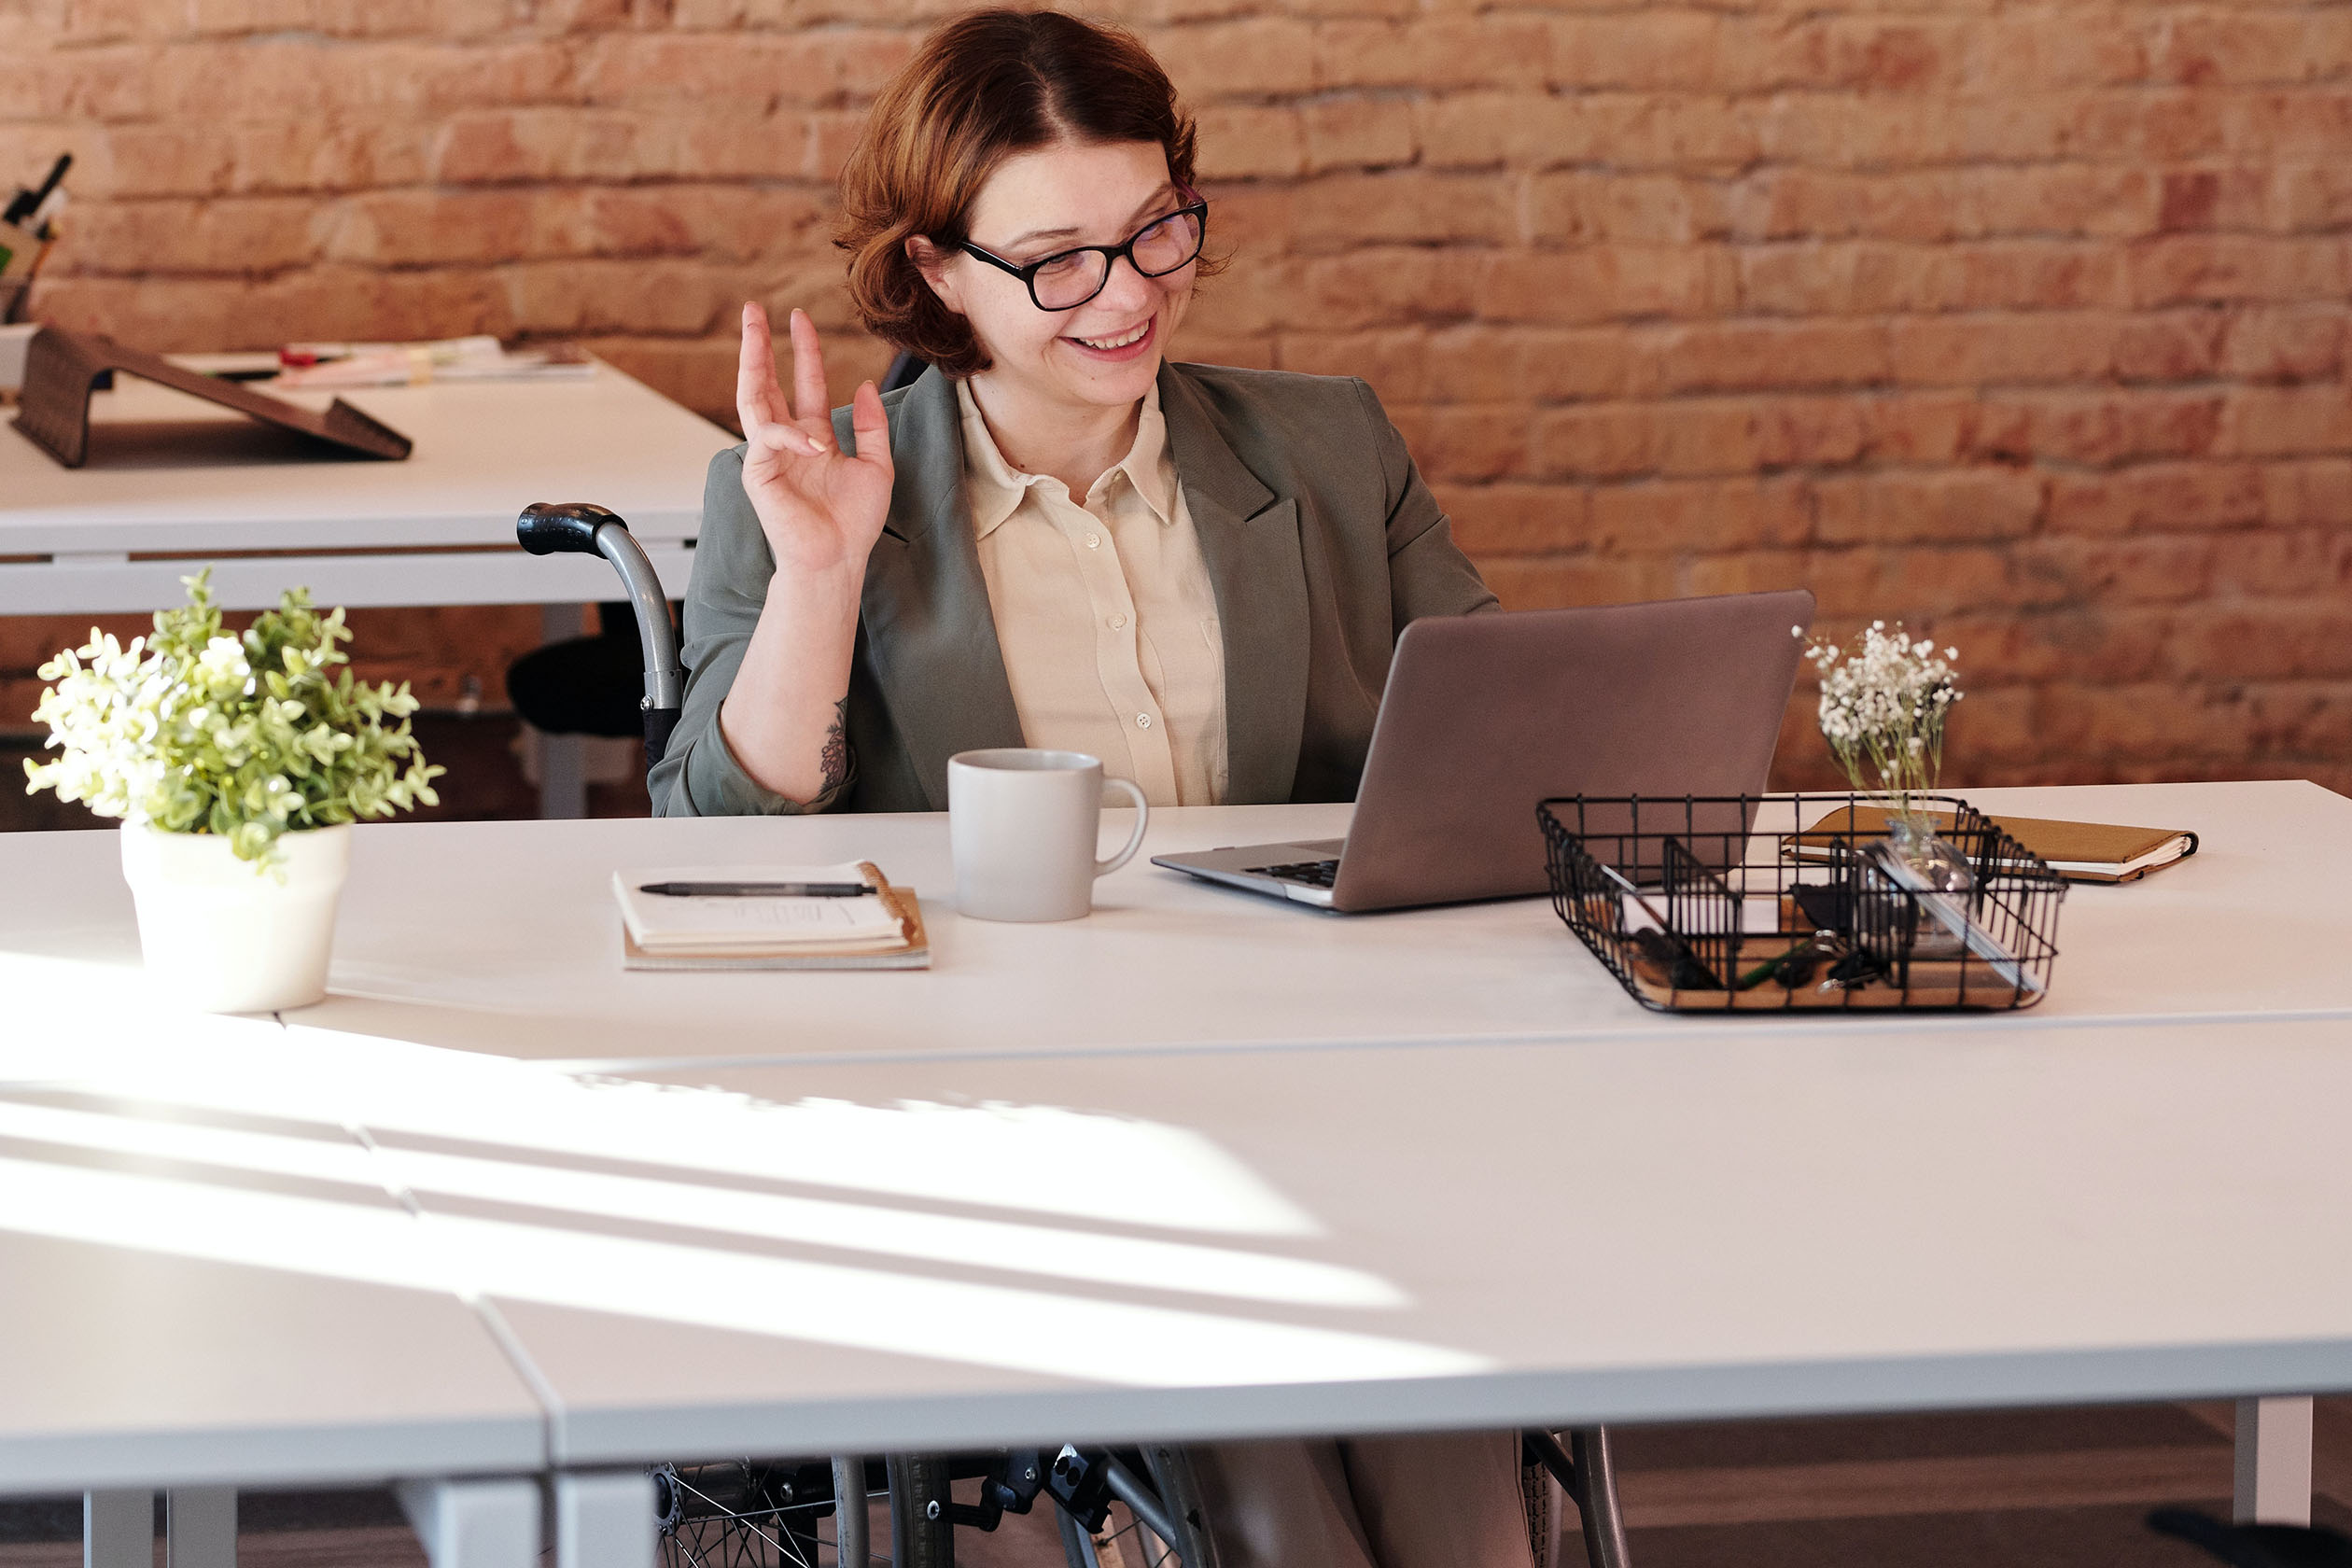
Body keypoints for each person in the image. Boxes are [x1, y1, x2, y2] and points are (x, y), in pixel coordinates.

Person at [649, 9, 1533, 1568]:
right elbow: (720, 849)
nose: (1126, 296)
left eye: (1156, 232)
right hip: (996, 1115)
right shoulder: (803, 492)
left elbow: (1503, 748)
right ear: (935, 270)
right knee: (1285, 1418)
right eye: (1058, 259)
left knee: (1432, 1413)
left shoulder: (1326, 448)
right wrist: (822, 578)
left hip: (1329, 1085)